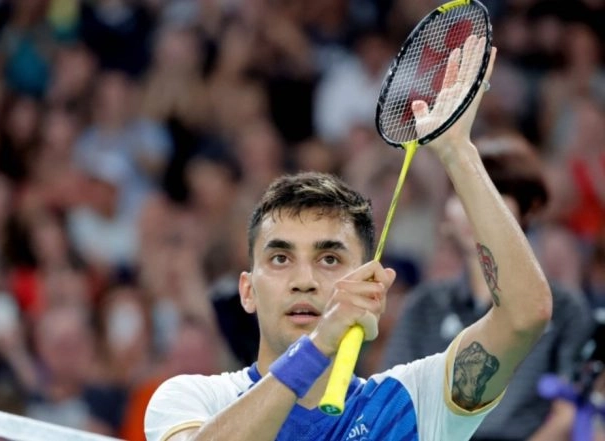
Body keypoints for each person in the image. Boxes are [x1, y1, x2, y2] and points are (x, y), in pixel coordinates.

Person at [145, 43, 553, 441]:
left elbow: (525, 314)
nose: (303, 280)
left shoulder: (409, 404)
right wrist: (319, 345)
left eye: (328, 259)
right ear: (248, 291)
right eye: (281, 258)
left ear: (371, 286)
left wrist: (456, 152)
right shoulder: (194, 399)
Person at [381, 133, 594, 441]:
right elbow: (397, 404)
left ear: (529, 209)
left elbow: (569, 415)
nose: (472, 207)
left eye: (495, 192)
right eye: (460, 194)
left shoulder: (565, 309)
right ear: (445, 214)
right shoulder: (424, 306)